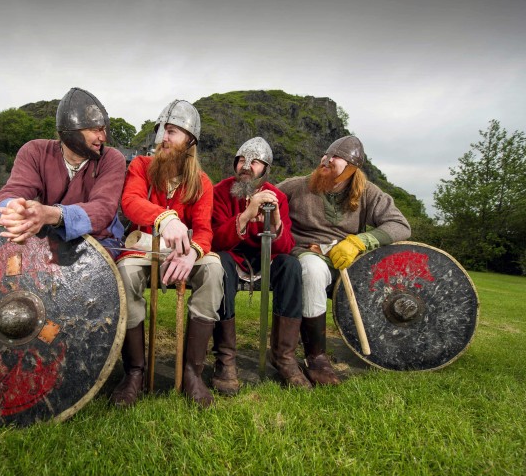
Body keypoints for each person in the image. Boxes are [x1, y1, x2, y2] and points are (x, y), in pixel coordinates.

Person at [112, 100, 224, 408]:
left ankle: (192, 373)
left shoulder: (201, 182)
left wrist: (191, 255)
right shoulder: (141, 166)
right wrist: (165, 217)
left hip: (183, 253)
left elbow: (203, 230)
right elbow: (131, 202)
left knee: (214, 271)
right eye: (163, 129)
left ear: (190, 141)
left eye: (172, 132)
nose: (164, 137)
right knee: (126, 273)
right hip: (144, 246)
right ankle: (134, 371)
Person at [279, 135, 411, 385]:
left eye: (335, 158)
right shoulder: (295, 187)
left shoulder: (366, 192)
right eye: (326, 156)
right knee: (313, 269)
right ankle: (315, 357)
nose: (327, 161)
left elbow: (400, 225)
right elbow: (267, 201)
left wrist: (360, 242)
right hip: (304, 253)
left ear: (352, 168)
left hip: (346, 260)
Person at [211, 137, 311, 392]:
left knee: (291, 265)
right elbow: (217, 241)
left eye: (254, 162)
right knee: (218, 264)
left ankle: (284, 357)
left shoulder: (277, 196)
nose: (246, 166)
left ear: (265, 168)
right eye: (242, 160)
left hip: (267, 258)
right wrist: (246, 214)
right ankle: (226, 359)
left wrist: (275, 219)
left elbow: (286, 246)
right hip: (232, 256)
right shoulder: (220, 192)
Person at [0, 87, 126, 254]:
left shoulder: (112, 158)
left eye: (104, 129)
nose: (103, 137)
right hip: (51, 242)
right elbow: (11, 192)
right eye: (95, 130)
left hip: (101, 242)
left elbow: (102, 209)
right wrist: (16, 210)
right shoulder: (35, 151)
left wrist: (50, 214)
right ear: (71, 131)